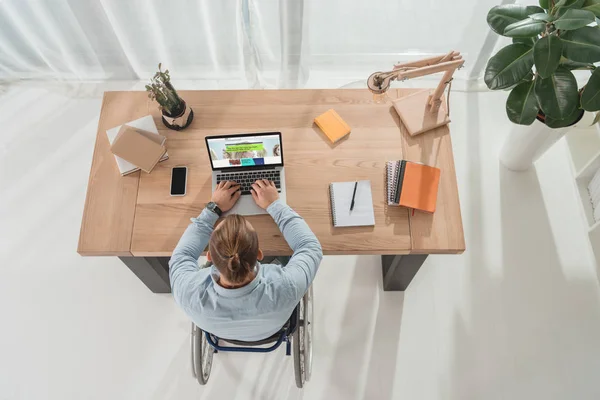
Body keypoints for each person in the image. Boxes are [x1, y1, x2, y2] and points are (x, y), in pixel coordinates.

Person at [169, 180, 323, 341]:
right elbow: (310, 246)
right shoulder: (286, 286)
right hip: (272, 330)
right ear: (259, 254)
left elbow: (182, 255)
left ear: (209, 257)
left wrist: (214, 208)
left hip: (223, 334)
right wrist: (274, 204)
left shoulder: (187, 292)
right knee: (289, 255)